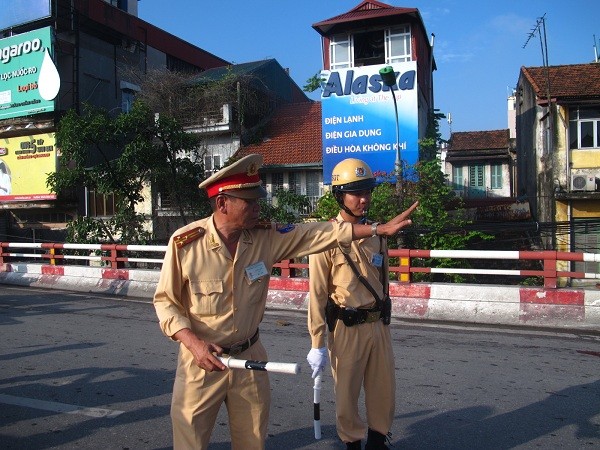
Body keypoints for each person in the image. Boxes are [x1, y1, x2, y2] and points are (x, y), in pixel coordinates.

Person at [153, 153, 417, 450]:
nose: (258, 207)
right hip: (201, 362)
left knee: (252, 442)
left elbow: (317, 233)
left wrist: (376, 230)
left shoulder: (266, 238)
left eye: (258, 199)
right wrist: (192, 342)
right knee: (190, 443)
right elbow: (165, 302)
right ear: (222, 203)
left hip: (249, 360)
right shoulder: (186, 244)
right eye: (249, 202)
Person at [306, 158, 399, 450]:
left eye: (367, 191)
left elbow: (383, 282)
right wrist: (317, 343)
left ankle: (377, 441)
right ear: (339, 196)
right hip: (346, 327)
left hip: (377, 326)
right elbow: (318, 294)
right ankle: (352, 444)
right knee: (346, 395)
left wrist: (384, 315)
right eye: (356, 193)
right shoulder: (325, 238)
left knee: (383, 391)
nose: (364, 199)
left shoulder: (377, 234)